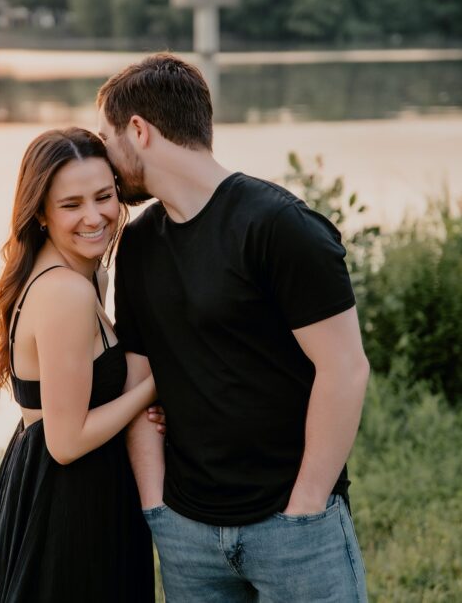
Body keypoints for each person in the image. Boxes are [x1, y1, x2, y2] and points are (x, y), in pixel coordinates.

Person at [97, 53, 371, 603]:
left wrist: (306, 506)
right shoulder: (139, 244)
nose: (103, 158)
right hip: (187, 532)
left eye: (106, 138)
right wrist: (156, 505)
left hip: (293, 527)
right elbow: (138, 375)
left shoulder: (279, 226)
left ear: (139, 130)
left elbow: (345, 368)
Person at [0, 127, 156, 603]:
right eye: (71, 205)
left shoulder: (85, 275)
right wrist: (155, 387)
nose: (94, 217)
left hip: (60, 488)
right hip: (68, 504)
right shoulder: (65, 292)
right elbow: (66, 442)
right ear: (41, 213)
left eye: (103, 197)